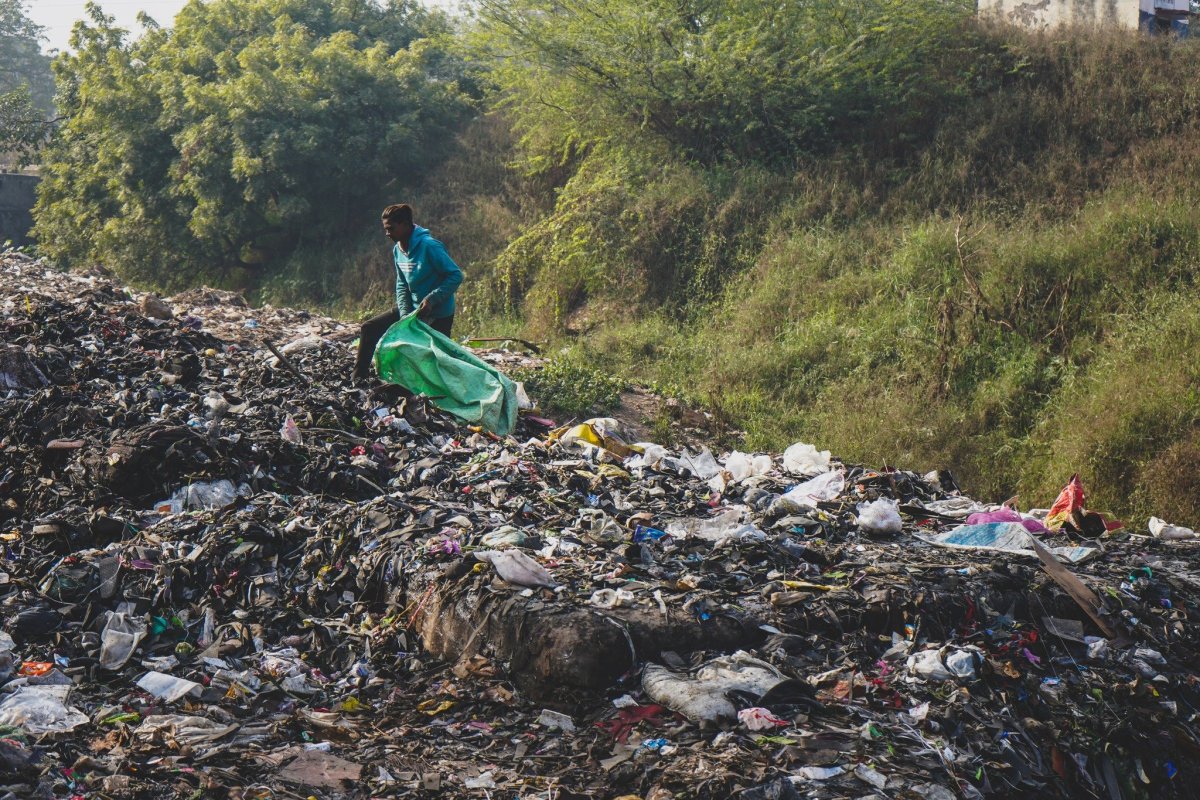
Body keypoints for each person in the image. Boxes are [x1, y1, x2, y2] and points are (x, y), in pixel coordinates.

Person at [353, 203, 463, 381]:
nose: (388, 233)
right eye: (386, 229)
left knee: (436, 361)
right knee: (369, 328)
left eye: (391, 228)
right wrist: (405, 316)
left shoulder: (429, 246)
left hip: (438, 313)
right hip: (412, 309)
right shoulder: (398, 249)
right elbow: (402, 284)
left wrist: (432, 299)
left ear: (405, 224)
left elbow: (455, 275)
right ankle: (358, 378)